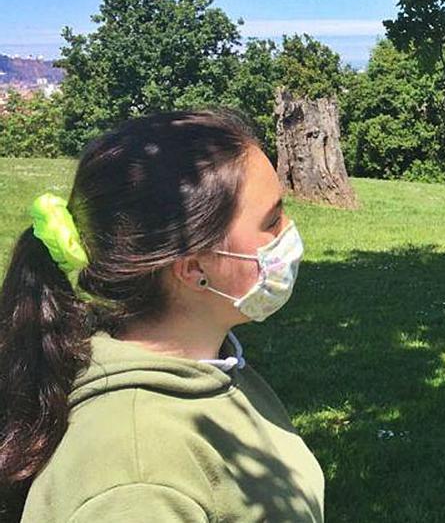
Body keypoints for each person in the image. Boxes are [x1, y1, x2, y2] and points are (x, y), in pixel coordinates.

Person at [0, 110, 323, 522]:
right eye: (272, 220)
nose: (289, 232)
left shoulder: (215, 368)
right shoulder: (135, 482)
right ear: (193, 269)